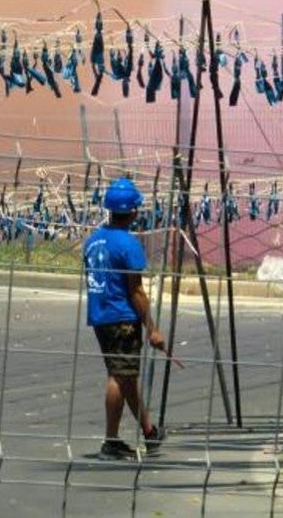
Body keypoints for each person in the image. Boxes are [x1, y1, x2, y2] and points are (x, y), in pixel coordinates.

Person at [84, 177, 167, 460]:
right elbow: (136, 291)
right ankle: (111, 440)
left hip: (100, 316)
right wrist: (152, 329)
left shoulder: (94, 240)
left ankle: (149, 430)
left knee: (126, 374)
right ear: (132, 211)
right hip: (122, 318)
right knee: (119, 376)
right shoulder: (128, 245)